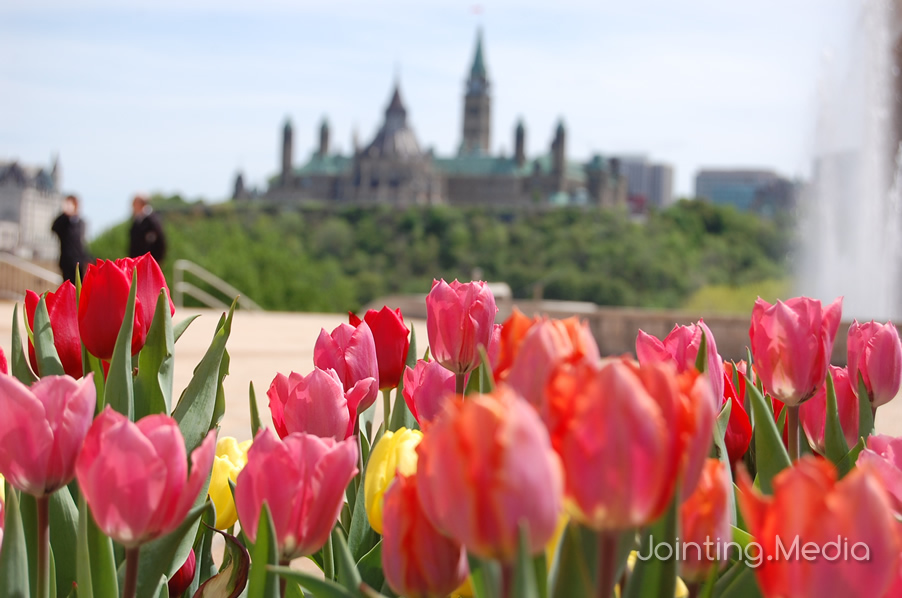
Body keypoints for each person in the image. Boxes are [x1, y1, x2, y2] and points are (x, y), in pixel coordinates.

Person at [51, 195, 92, 283]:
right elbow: (54, 228)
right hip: (66, 261)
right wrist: (65, 214)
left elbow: (80, 243)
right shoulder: (63, 222)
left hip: (78, 262)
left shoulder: (80, 223)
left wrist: (86, 258)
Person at [129, 195, 167, 262]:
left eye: (134, 203)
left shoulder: (152, 220)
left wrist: (155, 261)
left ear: (141, 204)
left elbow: (159, 243)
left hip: (148, 262)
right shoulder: (137, 220)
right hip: (137, 261)